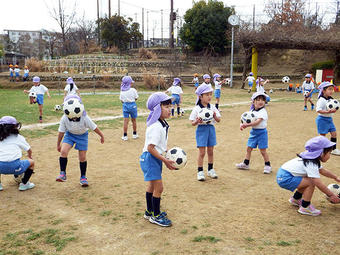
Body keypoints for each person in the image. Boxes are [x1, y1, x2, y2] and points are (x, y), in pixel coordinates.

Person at [276, 136, 340, 216]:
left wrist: (335, 177)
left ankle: (296, 199)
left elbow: (322, 171)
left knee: (307, 180)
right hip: (285, 178)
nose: (329, 156)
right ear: (321, 153)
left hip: (284, 175)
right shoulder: (311, 163)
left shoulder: (312, 160)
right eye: (329, 153)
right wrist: (331, 195)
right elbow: (318, 183)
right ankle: (305, 207)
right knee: (311, 182)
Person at [139, 92, 176, 227]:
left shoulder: (161, 123)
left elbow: (158, 146)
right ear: (157, 109)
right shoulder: (156, 127)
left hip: (152, 158)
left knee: (152, 186)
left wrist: (166, 154)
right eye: (166, 106)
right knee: (159, 187)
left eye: (170, 106)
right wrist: (165, 160)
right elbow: (150, 148)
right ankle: (155, 215)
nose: (169, 108)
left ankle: (149, 211)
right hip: (150, 158)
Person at [56, 95, 105, 187]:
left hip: (82, 136)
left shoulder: (85, 117)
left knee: (82, 157)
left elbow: (94, 127)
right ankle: (63, 173)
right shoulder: (64, 118)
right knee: (63, 151)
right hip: (69, 135)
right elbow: (61, 132)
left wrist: (101, 135)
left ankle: (83, 177)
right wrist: (58, 144)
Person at [189, 83, 221, 181]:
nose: (209, 96)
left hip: (211, 129)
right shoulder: (197, 108)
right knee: (202, 152)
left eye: (210, 94)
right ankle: (200, 171)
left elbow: (219, 119)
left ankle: (210, 169)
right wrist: (197, 121)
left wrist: (215, 116)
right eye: (207, 95)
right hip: (201, 130)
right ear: (200, 96)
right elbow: (191, 122)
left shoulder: (212, 107)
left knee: (211, 151)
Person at [236, 92, 272, 174]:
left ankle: (268, 165)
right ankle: (246, 163)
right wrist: (242, 125)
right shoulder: (251, 111)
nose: (260, 102)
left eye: (263, 100)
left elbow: (257, 122)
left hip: (262, 133)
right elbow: (245, 119)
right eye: (258, 100)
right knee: (249, 148)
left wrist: (246, 125)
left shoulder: (263, 111)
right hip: (254, 132)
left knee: (263, 150)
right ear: (253, 101)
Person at [0, 116, 35, 191]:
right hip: (16, 167)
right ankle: (24, 184)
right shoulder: (18, 137)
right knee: (31, 163)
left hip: (0, 167)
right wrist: (29, 156)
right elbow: (29, 150)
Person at [315, 81, 340, 155]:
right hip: (322, 120)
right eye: (329, 89)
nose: (331, 91)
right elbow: (318, 110)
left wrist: (333, 110)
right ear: (323, 90)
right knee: (322, 136)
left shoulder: (331, 99)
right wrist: (328, 112)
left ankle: (333, 149)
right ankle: (319, 149)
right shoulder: (321, 100)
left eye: (332, 89)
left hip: (329, 120)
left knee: (334, 134)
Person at [119, 76, 139, 141]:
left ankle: (125, 135)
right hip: (133, 105)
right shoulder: (133, 90)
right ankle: (135, 134)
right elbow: (136, 98)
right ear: (129, 83)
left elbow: (121, 100)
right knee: (134, 120)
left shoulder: (122, 91)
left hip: (125, 106)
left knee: (125, 121)